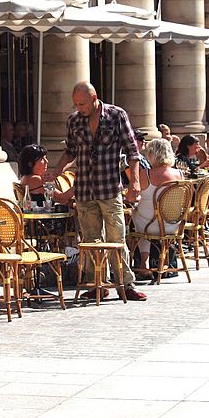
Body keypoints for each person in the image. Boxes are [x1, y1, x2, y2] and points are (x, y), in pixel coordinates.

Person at [47, 80, 147, 301]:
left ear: (94, 98)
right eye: (75, 104)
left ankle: (125, 284)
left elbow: (132, 152)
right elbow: (70, 151)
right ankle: (97, 284)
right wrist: (56, 171)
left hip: (109, 187)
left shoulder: (116, 115)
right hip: (84, 190)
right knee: (91, 240)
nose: (79, 108)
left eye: (82, 104)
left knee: (116, 238)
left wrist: (135, 183)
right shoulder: (74, 120)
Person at [131, 138, 184, 273]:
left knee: (137, 215)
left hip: (149, 226)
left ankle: (144, 262)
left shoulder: (145, 174)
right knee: (146, 215)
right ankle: (165, 259)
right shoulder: (179, 174)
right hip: (172, 224)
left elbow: (132, 196)